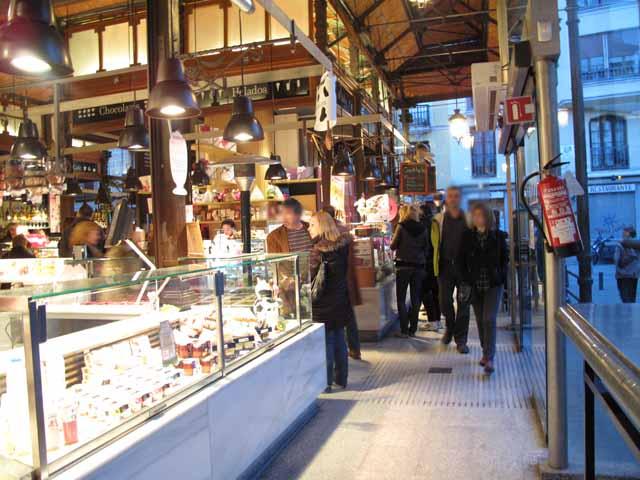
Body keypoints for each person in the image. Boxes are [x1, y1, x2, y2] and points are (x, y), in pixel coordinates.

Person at [309, 211, 357, 391]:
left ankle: (326, 382)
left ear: (321, 226)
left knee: (326, 344)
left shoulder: (318, 250)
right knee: (339, 340)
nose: (309, 228)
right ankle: (341, 379)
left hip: (323, 304)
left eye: (312, 225)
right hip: (340, 299)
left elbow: (310, 278)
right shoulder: (343, 246)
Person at [459, 203, 508, 374]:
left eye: (480, 215)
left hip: (493, 283)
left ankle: (489, 357)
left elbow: (505, 260)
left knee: (489, 319)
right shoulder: (467, 236)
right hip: (475, 284)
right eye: (475, 215)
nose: (477, 218)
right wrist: (465, 278)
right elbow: (460, 260)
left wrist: (501, 276)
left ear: (487, 217)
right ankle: (485, 351)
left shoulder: (498, 237)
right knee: (480, 320)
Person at [432, 186, 471, 353]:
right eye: (450, 196)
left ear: (460, 199)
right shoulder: (438, 220)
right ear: (446, 199)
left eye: (456, 196)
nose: (453, 199)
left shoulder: (468, 219)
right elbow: (433, 244)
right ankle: (450, 327)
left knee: (464, 305)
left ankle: (461, 340)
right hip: (445, 267)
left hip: (465, 269)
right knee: (444, 302)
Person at [322, 205, 363, 360]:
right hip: (347, 278)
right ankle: (354, 349)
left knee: (338, 322)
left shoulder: (328, 232)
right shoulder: (344, 229)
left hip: (335, 283)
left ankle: (339, 356)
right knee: (349, 316)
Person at [391, 204, 428, 338]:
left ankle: (404, 330)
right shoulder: (423, 228)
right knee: (415, 298)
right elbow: (426, 248)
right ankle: (413, 329)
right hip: (418, 266)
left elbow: (393, 245)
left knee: (401, 299)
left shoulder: (401, 226)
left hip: (403, 266)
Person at [420, 202, 441, 331]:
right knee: (435, 293)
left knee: (425, 293)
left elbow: (423, 245)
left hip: (425, 263)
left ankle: (432, 321)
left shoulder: (422, 225)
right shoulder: (435, 223)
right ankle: (437, 321)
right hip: (436, 262)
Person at [614, 226, 640, 303]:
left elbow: (616, 260)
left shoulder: (620, 244)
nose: (623, 233)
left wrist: (619, 272)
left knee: (625, 299)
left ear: (628, 233)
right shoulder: (637, 244)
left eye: (625, 231)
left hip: (623, 276)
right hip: (633, 275)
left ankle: (628, 310)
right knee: (631, 299)